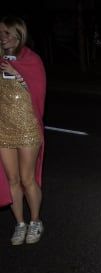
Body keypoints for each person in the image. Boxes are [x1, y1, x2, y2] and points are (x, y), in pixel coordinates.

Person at [0, 16, 46, 245]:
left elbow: (37, 93)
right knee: (12, 179)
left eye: (7, 33)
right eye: (1, 33)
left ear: (19, 34)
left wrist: (16, 72)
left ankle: (35, 220)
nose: (3, 37)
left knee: (28, 179)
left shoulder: (31, 59)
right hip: (3, 128)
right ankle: (19, 223)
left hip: (27, 126)